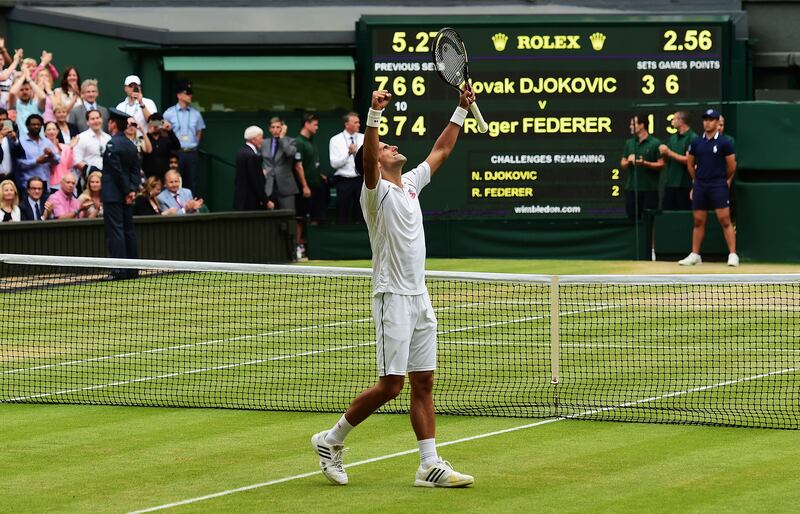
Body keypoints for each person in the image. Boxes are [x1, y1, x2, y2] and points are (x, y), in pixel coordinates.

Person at [311, 88, 476, 488]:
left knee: (423, 382)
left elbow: (441, 150)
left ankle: (428, 465)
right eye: (386, 146)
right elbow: (368, 157)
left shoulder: (412, 184)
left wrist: (460, 107)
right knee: (391, 385)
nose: (391, 146)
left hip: (420, 298)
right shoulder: (375, 192)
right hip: (391, 298)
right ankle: (330, 441)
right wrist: (373, 115)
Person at [679, 108, 738, 267]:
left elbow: (732, 166)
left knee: (725, 219)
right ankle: (695, 255)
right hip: (700, 185)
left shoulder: (725, 142)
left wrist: (721, 179)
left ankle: (733, 255)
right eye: (705, 119)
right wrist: (696, 180)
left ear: (718, 122)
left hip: (718, 185)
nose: (707, 122)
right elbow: (690, 164)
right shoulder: (696, 142)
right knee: (698, 221)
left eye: (711, 119)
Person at [101, 109, 140, 279]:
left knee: (116, 232)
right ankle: (132, 269)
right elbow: (135, 172)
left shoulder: (112, 144)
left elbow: (117, 171)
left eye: (109, 122)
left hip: (114, 195)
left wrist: (126, 191)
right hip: (126, 195)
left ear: (113, 124)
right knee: (128, 230)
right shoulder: (131, 145)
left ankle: (119, 270)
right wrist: (132, 190)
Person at [163, 81, 205, 194]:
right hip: (176, 153)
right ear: (179, 95)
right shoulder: (169, 113)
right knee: (175, 181)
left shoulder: (196, 114)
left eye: (190, 93)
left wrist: (194, 144)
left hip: (191, 152)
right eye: (187, 93)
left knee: (192, 182)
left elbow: (199, 131)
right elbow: (163, 131)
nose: (190, 96)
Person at [620, 114, 663, 220]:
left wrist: (645, 163)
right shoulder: (629, 143)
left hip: (649, 190)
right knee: (632, 220)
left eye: (633, 124)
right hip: (632, 189)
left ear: (642, 125)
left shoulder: (655, 143)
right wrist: (629, 161)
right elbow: (622, 163)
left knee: (649, 222)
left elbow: (661, 164)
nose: (630, 126)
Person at [295, 113, 324, 258]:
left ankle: (312, 249)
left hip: (316, 186)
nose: (317, 128)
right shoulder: (299, 142)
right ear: (306, 124)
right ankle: (298, 247)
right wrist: (305, 186)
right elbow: (298, 166)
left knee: (315, 217)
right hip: (305, 188)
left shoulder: (311, 141)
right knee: (301, 218)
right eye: (315, 124)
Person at [329, 112, 364, 223]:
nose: (359, 125)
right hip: (344, 180)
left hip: (360, 179)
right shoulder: (335, 140)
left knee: (361, 210)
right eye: (355, 122)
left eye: (358, 122)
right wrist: (348, 153)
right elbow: (334, 164)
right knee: (342, 210)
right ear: (347, 124)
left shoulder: (364, 138)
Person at [262, 116, 303, 214]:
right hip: (269, 186)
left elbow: (290, 153)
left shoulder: (291, 141)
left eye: (278, 127)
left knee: (288, 216)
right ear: (269, 129)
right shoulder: (264, 143)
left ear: (283, 128)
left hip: (286, 187)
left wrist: (282, 138)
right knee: (268, 218)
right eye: (273, 127)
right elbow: (259, 159)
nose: (275, 130)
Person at [659, 111, 696, 211]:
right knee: (667, 212)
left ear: (681, 121)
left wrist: (669, 152)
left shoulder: (693, 138)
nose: (672, 122)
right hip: (671, 183)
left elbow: (689, 160)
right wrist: (663, 153)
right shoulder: (673, 139)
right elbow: (667, 157)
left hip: (685, 184)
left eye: (674, 119)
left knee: (684, 214)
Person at [18, 114, 60, 195]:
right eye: (33, 124)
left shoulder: (47, 142)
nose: (36, 127)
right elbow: (18, 164)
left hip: (45, 184)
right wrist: (36, 161)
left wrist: (52, 155)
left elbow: (57, 161)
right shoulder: (21, 142)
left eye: (38, 124)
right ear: (27, 126)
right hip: (28, 185)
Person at [234, 125, 271, 211]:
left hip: (241, 201)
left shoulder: (240, 153)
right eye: (261, 138)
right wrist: (266, 201)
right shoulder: (252, 156)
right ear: (254, 139)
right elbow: (256, 181)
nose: (262, 141)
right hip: (251, 202)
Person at [73, 109, 111, 186]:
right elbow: (76, 159)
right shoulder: (81, 137)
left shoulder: (108, 138)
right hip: (89, 178)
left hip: (107, 178)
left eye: (98, 118)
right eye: (92, 119)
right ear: (87, 122)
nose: (96, 121)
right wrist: (89, 170)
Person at [141, 112, 180, 181]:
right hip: (149, 177)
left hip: (164, 176)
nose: (155, 126)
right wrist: (148, 133)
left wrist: (169, 131)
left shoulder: (166, 139)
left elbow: (177, 146)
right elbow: (145, 151)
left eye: (157, 124)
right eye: (153, 123)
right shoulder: (144, 138)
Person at [8, 67, 46, 136]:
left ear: (31, 90)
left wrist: (29, 79)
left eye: (27, 89)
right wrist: (23, 76)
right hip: (24, 142)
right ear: (18, 92)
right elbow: (12, 93)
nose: (24, 92)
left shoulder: (37, 104)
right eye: (21, 90)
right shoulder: (16, 105)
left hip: (40, 140)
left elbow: (43, 97)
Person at [44, 120, 77, 193]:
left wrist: (71, 148)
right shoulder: (44, 148)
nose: (52, 131)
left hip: (66, 182)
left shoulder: (65, 147)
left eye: (54, 129)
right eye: (49, 129)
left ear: (58, 131)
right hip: (52, 183)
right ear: (45, 133)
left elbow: (69, 165)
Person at [0, 109, 25, 181]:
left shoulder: (12, 135)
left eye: (4, 119)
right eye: (0, 119)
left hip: (11, 178)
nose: (1, 122)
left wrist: (15, 140)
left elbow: (21, 155)